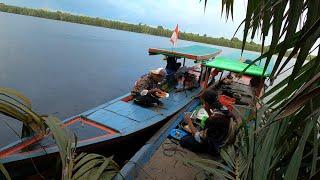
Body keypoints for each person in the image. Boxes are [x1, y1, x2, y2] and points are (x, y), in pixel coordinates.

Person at [180, 90, 233, 156]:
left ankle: (208, 151)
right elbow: (213, 122)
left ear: (207, 103)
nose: (203, 104)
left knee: (183, 140)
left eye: (204, 103)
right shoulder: (224, 109)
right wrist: (208, 110)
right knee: (198, 128)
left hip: (215, 145)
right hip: (221, 135)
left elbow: (199, 138)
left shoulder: (213, 119)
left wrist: (189, 122)